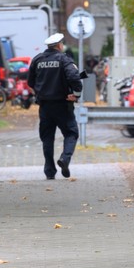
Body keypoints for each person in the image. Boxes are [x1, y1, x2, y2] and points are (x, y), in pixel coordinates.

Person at [27, 33, 83, 180]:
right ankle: (64, 159)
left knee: (47, 138)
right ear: (59, 45)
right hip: (63, 105)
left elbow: (30, 82)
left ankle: (49, 171)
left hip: (45, 106)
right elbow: (74, 77)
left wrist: (40, 93)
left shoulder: (37, 59)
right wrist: (76, 94)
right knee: (71, 133)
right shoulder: (64, 59)